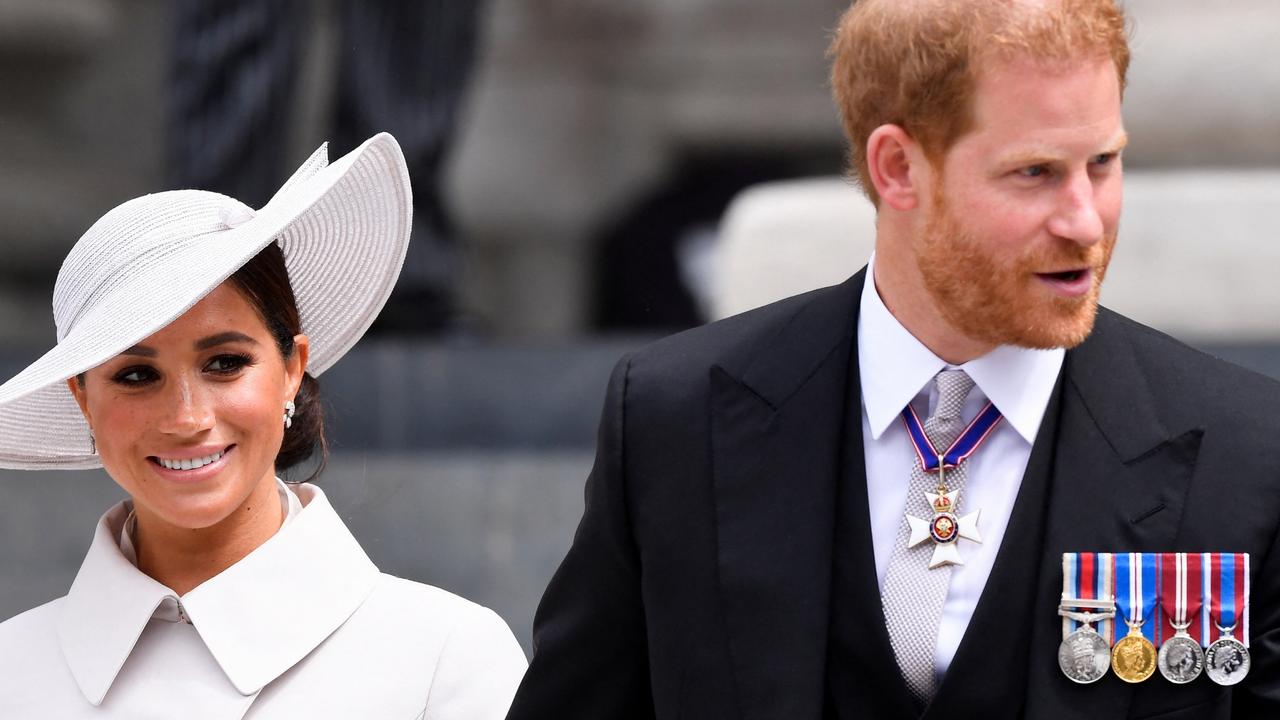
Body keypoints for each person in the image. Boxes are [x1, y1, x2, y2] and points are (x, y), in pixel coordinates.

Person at [504, 1, 1280, 718]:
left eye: (1104, 164)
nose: (1086, 221)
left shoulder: (1244, 454)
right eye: (1035, 172)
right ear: (898, 169)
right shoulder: (679, 419)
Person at [0, 134, 527, 717]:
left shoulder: (446, 661)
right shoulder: (12, 674)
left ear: (292, 369)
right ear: (82, 399)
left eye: (225, 363)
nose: (187, 417)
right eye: (135, 375)